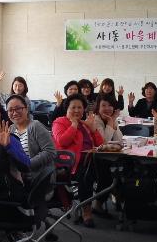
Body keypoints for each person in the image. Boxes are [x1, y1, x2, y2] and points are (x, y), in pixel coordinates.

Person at [52, 94, 103, 227]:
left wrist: (93, 129)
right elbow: (62, 141)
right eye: (73, 107)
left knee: (107, 171)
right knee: (87, 173)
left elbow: (101, 144)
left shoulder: (84, 124)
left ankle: (101, 203)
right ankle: (87, 211)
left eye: (79, 107)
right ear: (67, 109)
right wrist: (74, 125)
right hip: (69, 165)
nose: (76, 110)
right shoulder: (59, 122)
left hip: (90, 160)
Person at [6, 95, 55, 184]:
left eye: (18, 108)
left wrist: (27, 165)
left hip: (39, 179)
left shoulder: (35, 126)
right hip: (19, 178)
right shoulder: (10, 129)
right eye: (10, 110)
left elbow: (50, 152)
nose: (15, 113)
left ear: (26, 109)